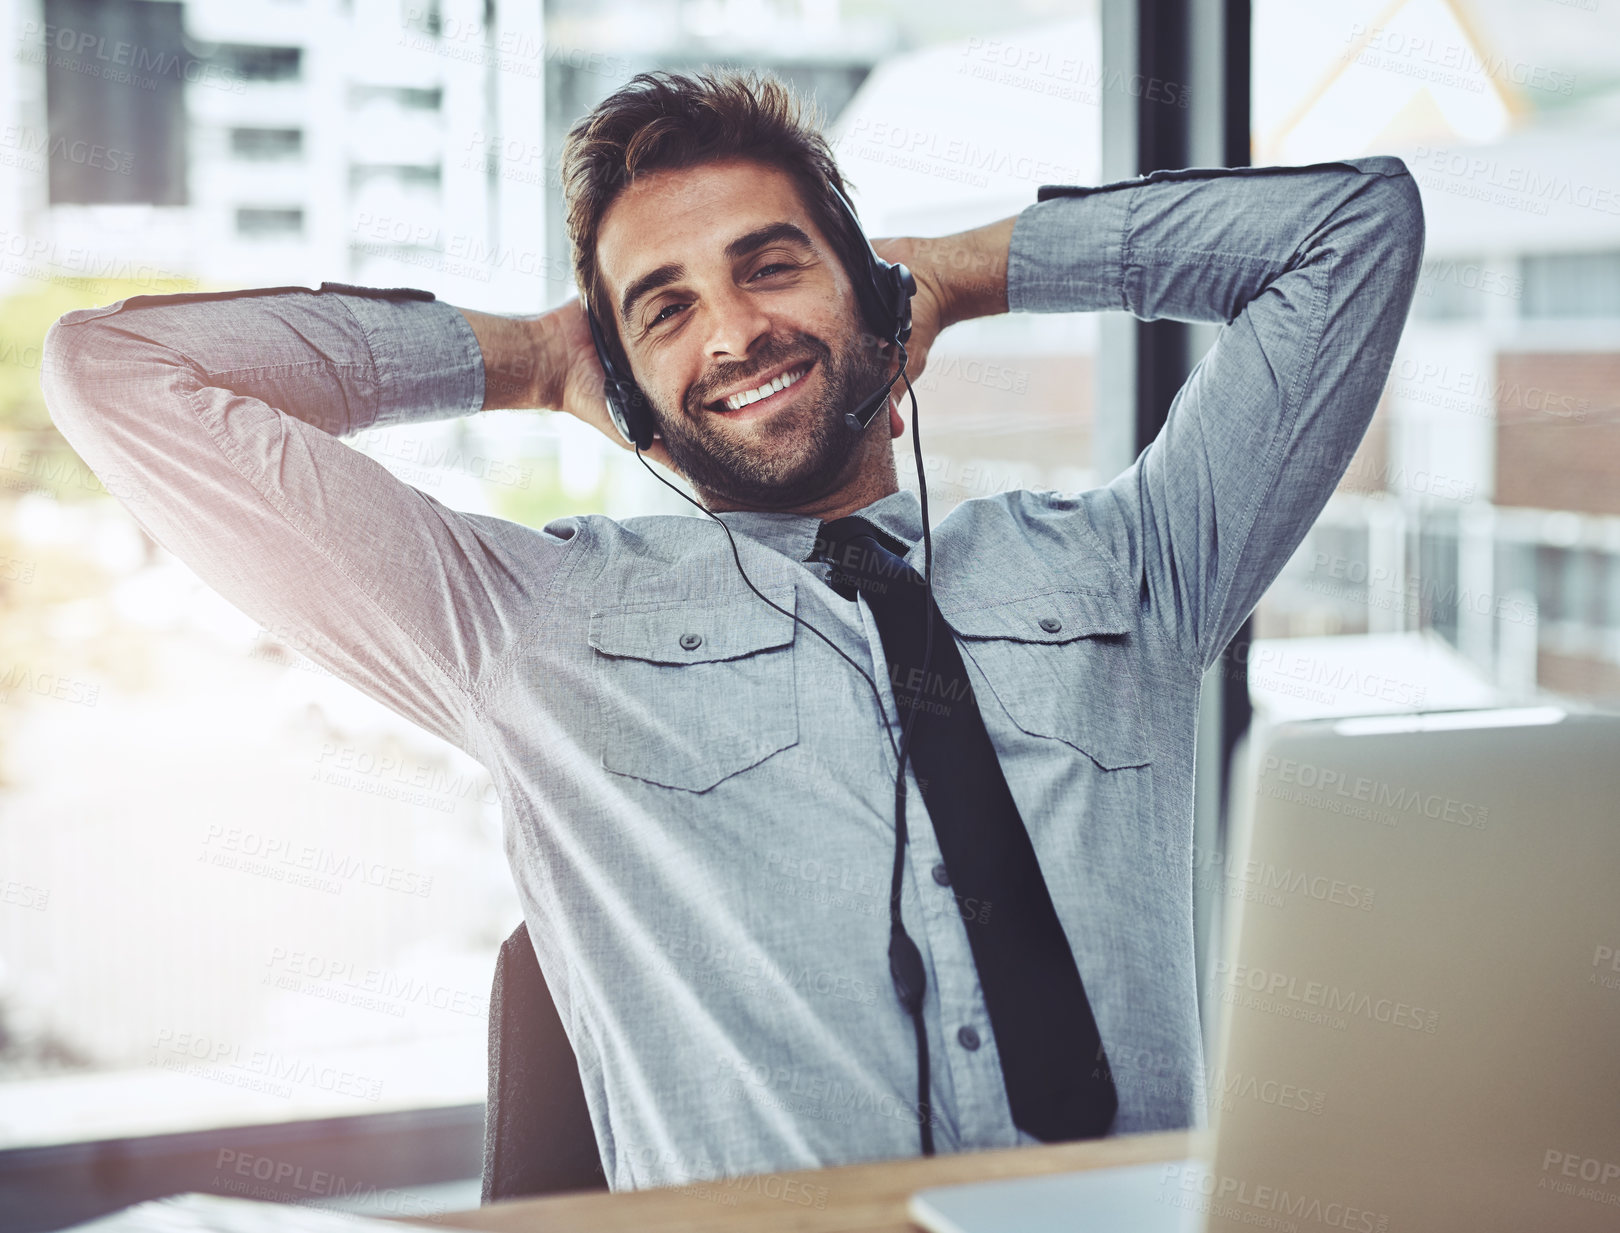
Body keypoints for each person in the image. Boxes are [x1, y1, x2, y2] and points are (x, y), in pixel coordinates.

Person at [40, 67, 1424, 1191]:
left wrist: (972, 267)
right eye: (666, 308)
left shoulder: (1135, 565)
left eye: (774, 268)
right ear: (629, 393)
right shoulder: (528, 629)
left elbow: (1352, 232)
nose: (735, 331)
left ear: (873, 299)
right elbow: (118, 374)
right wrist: (524, 357)